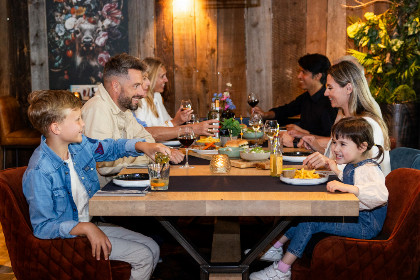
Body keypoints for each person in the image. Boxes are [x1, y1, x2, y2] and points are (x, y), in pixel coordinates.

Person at [23, 90, 175, 280]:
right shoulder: (40, 171)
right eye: (77, 119)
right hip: (66, 241)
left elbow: (110, 147)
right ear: (56, 128)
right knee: (142, 255)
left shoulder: (79, 146)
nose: (83, 124)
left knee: (152, 246)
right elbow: (43, 227)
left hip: (87, 226)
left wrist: (143, 146)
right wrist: (86, 228)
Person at [249, 117, 388, 280]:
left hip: (365, 225)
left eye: (342, 144)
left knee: (311, 220)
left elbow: (380, 195)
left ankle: (282, 270)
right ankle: (275, 247)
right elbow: (349, 176)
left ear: (362, 146)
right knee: (304, 215)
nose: (335, 148)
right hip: (354, 217)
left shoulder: (369, 169)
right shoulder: (355, 165)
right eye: (335, 142)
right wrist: (336, 170)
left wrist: (351, 188)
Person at [301, 60, 391, 176]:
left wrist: (328, 162)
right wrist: (318, 149)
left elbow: (367, 171)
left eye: (330, 88)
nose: (325, 93)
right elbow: (342, 160)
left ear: (348, 88)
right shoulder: (342, 116)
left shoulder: (368, 124)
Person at [252, 53, 337, 146]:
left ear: (317, 76)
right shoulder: (306, 97)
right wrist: (265, 115)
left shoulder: (329, 102)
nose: (299, 76)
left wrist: (303, 133)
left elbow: (331, 140)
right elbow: (286, 110)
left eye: (304, 72)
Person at [134, 57, 192, 127]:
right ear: (151, 78)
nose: (166, 80)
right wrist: (175, 122)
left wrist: (180, 120)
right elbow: (146, 132)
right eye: (162, 76)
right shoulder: (138, 100)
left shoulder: (157, 96)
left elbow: (167, 121)